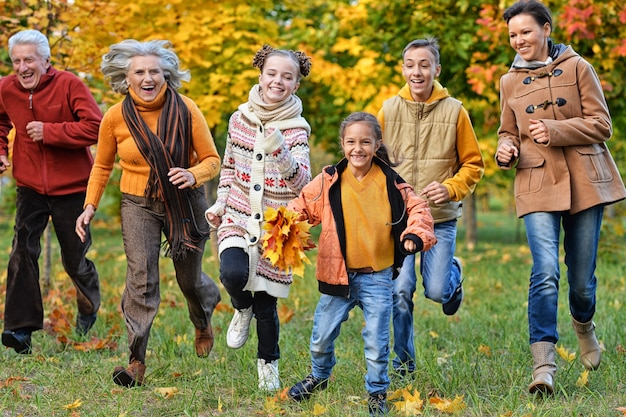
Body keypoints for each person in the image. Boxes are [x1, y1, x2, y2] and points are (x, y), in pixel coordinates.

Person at [495, 0, 626, 395]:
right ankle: (544, 366)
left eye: (526, 32)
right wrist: (506, 149)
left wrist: (555, 129)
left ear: (546, 29)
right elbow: (507, 130)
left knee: (581, 282)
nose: (519, 41)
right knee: (546, 270)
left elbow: (603, 125)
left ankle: (584, 326)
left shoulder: (578, 67)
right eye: (513, 35)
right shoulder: (508, 81)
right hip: (537, 182)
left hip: (586, 180)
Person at [75, 39, 222, 387]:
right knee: (141, 280)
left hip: (185, 203)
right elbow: (102, 166)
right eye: (139, 72)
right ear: (126, 78)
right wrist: (89, 206)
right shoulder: (114, 116)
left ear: (166, 75)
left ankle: (203, 314)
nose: (147, 77)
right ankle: (136, 361)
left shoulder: (187, 109)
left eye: (154, 71)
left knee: (189, 279)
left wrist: (192, 174)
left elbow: (212, 160)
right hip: (137, 203)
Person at [286, 112, 436, 416]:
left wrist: (414, 236)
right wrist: (282, 227)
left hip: (377, 277)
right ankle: (319, 374)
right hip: (337, 274)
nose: (358, 148)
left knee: (377, 340)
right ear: (342, 144)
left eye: (365, 141)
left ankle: (377, 391)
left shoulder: (391, 182)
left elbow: (419, 210)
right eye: (351, 141)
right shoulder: (329, 180)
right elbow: (300, 207)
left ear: (377, 144)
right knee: (321, 336)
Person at [204, 44, 312, 391]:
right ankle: (240, 307)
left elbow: (302, 183)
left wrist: (279, 150)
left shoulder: (297, 129)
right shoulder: (239, 119)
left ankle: (268, 366)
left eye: (287, 77)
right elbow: (230, 167)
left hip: (276, 226)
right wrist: (221, 204)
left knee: (267, 305)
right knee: (232, 273)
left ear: (296, 84)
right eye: (272, 73)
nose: (278, 81)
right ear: (260, 74)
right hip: (237, 214)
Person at [377, 37, 485, 376]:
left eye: (424, 65)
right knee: (400, 290)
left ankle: (453, 273)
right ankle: (404, 362)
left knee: (436, 291)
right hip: (400, 221)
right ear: (403, 69)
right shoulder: (388, 109)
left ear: (436, 69)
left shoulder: (455, 110)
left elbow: (473, 164)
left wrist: (451, 188)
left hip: (439, 219)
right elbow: (373, 161)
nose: (416, 71)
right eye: (410, 65)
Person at [0, 29, 102, 354]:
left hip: (72, 187)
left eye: (28, 59)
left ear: (46, 60)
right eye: (16, 61)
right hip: (29, 186)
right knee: (22, 252)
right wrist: (0, 150)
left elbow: (95, 126)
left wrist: (51, 132)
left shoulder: (69, 84)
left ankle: (88, 307)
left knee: (74, 259)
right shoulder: (6, 88)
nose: (21, 67)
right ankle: (20, 330)